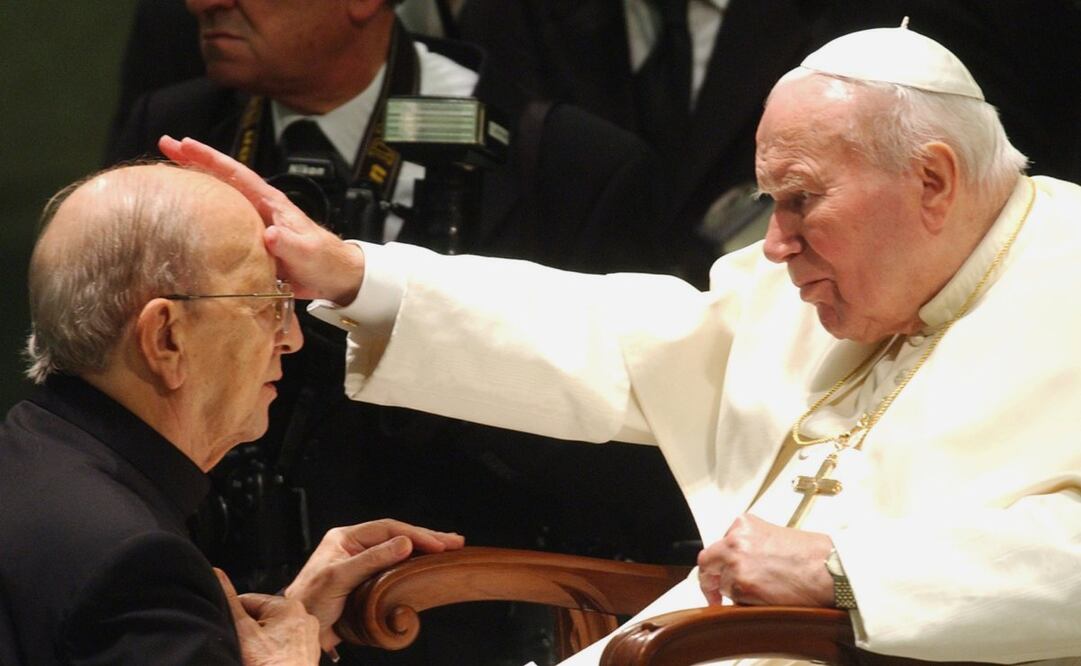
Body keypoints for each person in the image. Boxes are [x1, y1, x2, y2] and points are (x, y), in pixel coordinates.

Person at [162, 22, 1081, 665]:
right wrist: (357, 275)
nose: (774, 242)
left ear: (931, 178)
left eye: (801, 198)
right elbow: (623, 340)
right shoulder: (811, 283)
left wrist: (843, 573)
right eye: (770, 203)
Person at [107, 0, 693, 631]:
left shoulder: (566, 162)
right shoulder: (174, 132)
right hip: (241, 594)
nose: (202, 3)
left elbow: (636, 451)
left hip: (474, 602)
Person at [0, 163, 464, 666]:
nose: (292, 338)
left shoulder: (27, 453)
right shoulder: (136, 565)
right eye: (268, 302)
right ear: (166, 338)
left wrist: (294, 617)